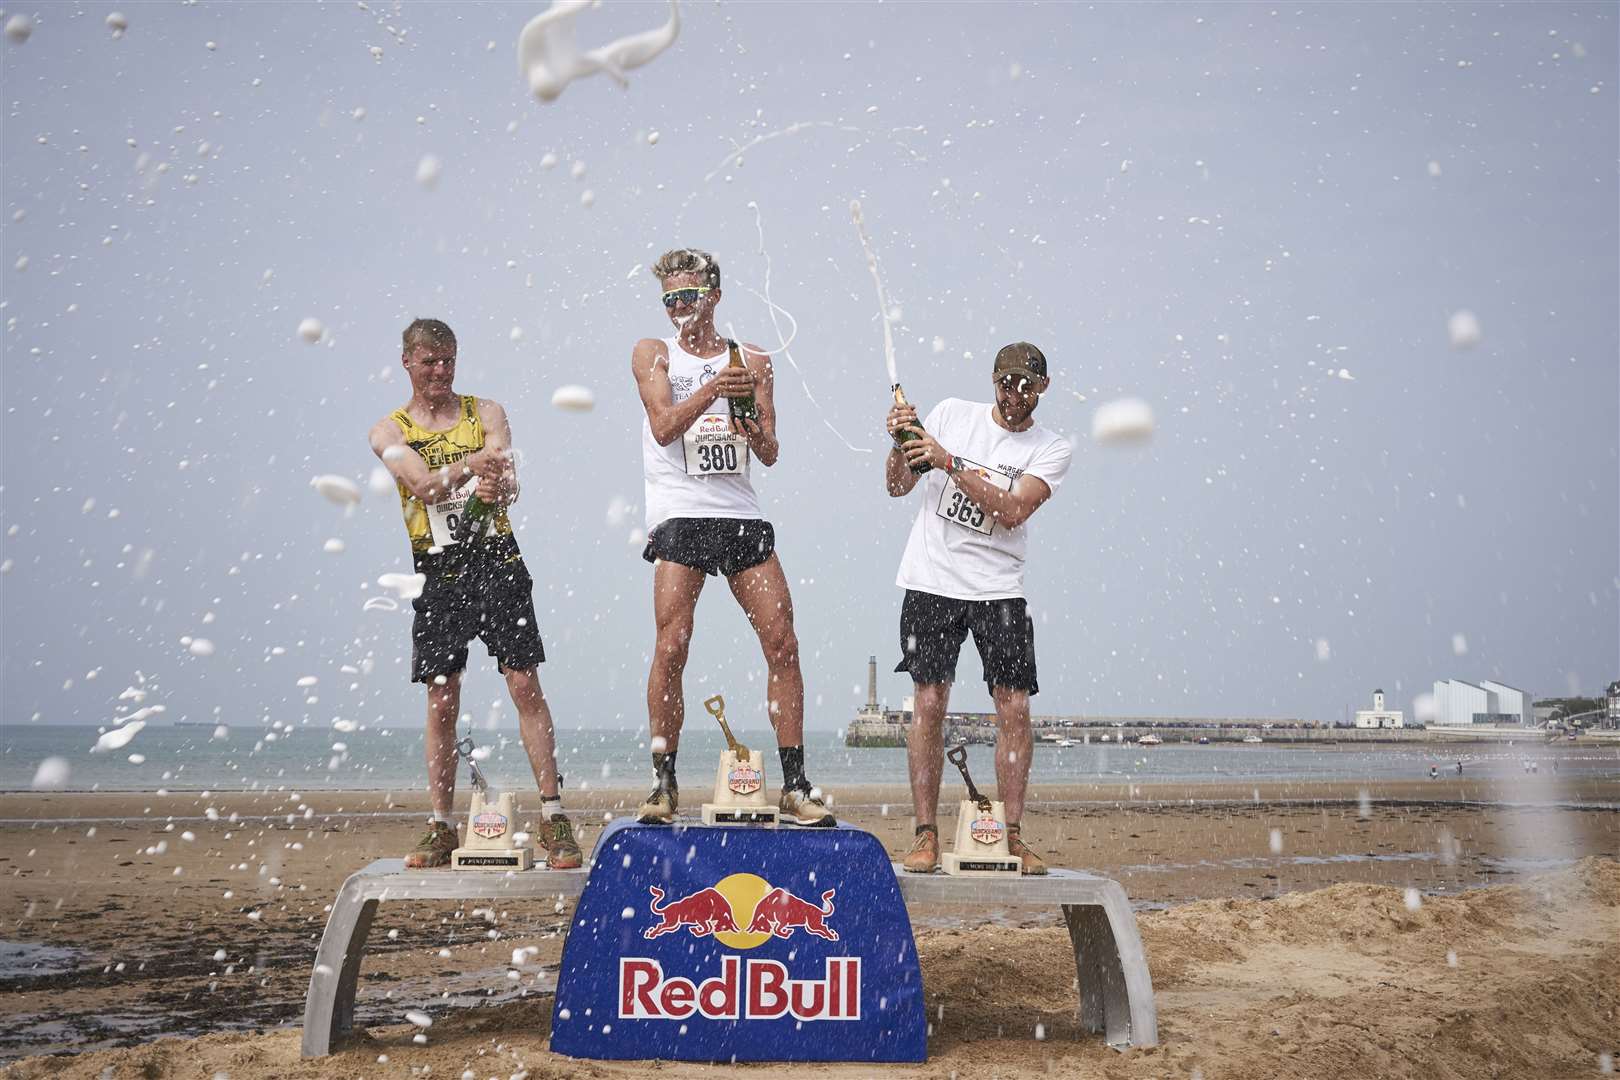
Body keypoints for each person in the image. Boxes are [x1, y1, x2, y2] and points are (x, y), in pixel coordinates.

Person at [630, 248, 834, 827]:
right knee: (672, 645)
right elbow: (665, 426)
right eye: (669, 299)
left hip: (739, 513)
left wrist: (750, 424)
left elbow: (769, 453)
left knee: (783, 642)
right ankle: (663, 783)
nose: (678, 309)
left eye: (688, 297)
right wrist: (715, 389)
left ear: (714, 296)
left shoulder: (754, 359)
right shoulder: (654, 352)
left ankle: (795, 783)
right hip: (681, 513)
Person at [369, 318, 582, 870]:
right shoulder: (388, 432)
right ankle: (440, 825)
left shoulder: (485, 413)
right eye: (429, 362)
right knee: (442, 695)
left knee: (523, 682)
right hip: (437, 569)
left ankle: (554, 815)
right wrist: (472, 467)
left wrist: (500, 483)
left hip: (497, 560)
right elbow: (422, 484)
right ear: (407, 363)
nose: (440, 371)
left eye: (448, 361)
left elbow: (508, 484)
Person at [883, 343, 1074, 874]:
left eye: (1027, 387)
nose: (1015, 396)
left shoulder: (1050, 449)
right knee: (929, 703)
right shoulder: (949, 415)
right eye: (1007, 384)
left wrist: (948, 460)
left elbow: (1012, 510)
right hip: (931, 581)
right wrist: (902, 442)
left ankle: (1011, 835)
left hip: (998, 589)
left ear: (1043, 388)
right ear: (992, 379)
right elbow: (898, 486)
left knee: (1013, 708)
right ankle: (925, 835)